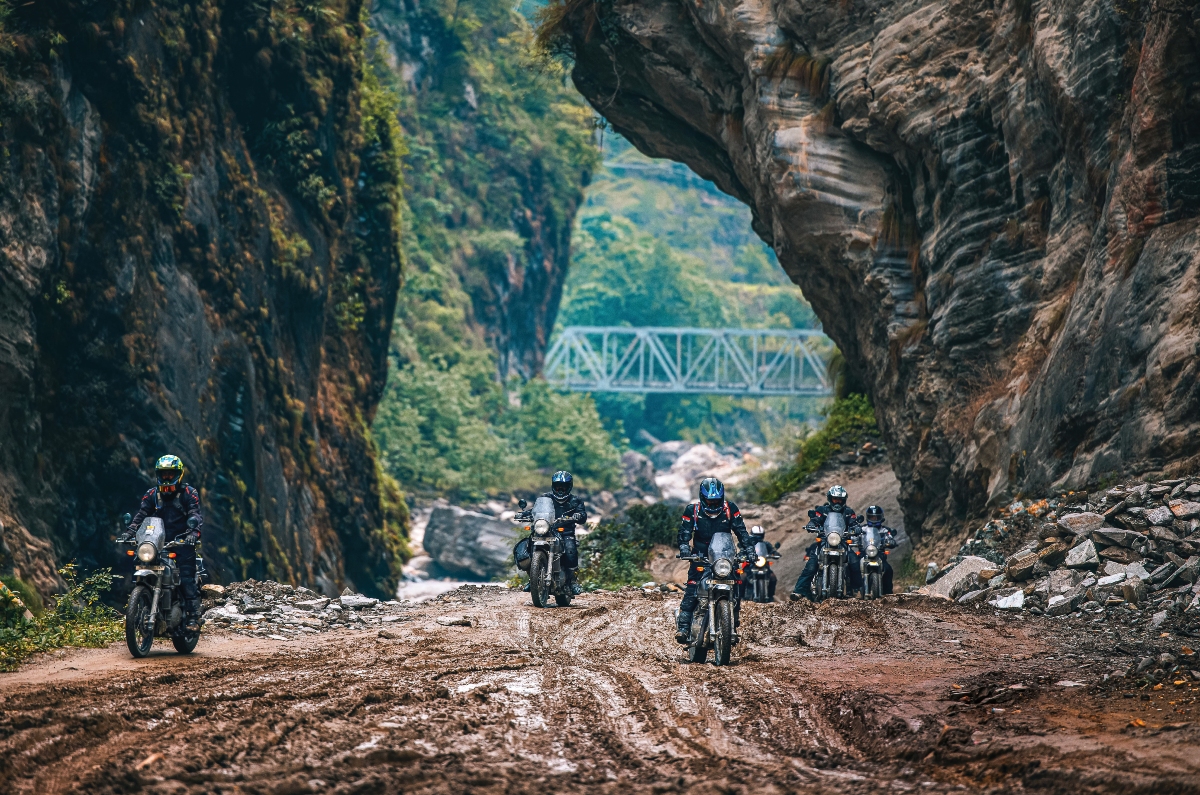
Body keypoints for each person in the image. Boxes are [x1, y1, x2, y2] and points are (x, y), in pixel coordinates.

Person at [123, 455, 204, 631]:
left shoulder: (189, 493)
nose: (166, 478)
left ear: (179, 474)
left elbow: (195, 515)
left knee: (186, 577)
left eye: (170, 474)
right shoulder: (152, 495)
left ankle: (192, 617)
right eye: (163, 474)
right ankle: (141, 604)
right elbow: (142, 515)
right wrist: (130, 532)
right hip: (155, 542)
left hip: (181, 543)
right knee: (139, 564)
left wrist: (192, 533)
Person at [675, 477, 754, 643]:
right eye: (709, 502)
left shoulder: (730, 509)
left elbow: (741, 531)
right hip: (701, 556)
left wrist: (750, 550)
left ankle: (732, 624)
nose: (712, 505)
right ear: (703, 499)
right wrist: (684, 547)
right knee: (692, 588)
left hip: (724, 556)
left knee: (736, 585)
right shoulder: (692, 510)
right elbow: (684, 533)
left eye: (716, 501)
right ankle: (683, 627)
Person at [789, 485, 861, 602]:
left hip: (841, 541)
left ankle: (855, 590)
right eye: (835, 499)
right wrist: (812, 524)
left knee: (854, 561)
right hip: (824, 541)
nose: (837, 502)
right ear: (830, 499)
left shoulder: (848, 512)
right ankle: (799, 591)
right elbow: (815, 519)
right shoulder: (822, 511)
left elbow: (853, 522)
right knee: (811, 565)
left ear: (843, 500)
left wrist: (857, 527)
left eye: (840, 500)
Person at [520, 470, 587, 595]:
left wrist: (578, 515)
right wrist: (525, 513)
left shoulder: (575, 501)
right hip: (546, 530)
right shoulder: (546, 497)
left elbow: (582, 515)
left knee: (570, 548)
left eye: (563, 487)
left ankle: (572, 582)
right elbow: (536, 510)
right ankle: (533, 579)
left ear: (569, 487)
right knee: (528, 547)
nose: (560, 489)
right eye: (558, 486)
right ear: (553, 486)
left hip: (565, 532)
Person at [853, 504, 897, 595]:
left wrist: (891, 541)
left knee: (888, 569)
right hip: (863, 554)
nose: (874, 519)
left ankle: (888, 592)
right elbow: (854, 538)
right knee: (853, 567)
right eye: (872, 517)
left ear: (881, 518)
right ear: (867, 517)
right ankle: (852, 589)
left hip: (879, 555)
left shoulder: (884, 530)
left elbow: (890, 537)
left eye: (876, 517)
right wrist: (852, 538)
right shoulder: (862, 529)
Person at [741, 525, 778, 601]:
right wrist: (743, 555)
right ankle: (740, 596)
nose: (758, 537)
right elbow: (743, 551)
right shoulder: (748, 544)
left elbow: (772, 551)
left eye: (760, 536)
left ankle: (770, 595)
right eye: (756, 535)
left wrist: (775, 554)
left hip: (763, 565)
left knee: (772, 577)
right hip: (750, 566)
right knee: (742, 577)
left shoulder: (766, 544)